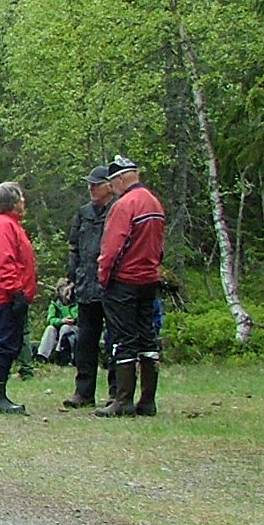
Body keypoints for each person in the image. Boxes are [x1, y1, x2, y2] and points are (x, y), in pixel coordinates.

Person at [96, 156, 166, 416]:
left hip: (124, 281)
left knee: (123, 339)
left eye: (112, 182)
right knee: (147, 338)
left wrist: (103, 277)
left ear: (121, 178)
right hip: (149, 279)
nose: (111, 187)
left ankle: (123, 400)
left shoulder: (124, 206)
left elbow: (113, 247)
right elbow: (158, 246)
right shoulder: (154, 202)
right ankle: (147, 400)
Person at [0, 181, 37, 414]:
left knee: (9, 344)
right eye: (21, 197)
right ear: (12, 202)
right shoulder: (3, 225)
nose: (24, 201)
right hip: (5, 296)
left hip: (8, 294)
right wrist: (16, 291)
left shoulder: (10, 225)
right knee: (4, 345)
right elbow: (5, 262)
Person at [61, 165, 114, 410]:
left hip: (111, 286)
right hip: (85, 285)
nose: (91, 188)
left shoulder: (118, 210)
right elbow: (74, 248)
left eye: (96, 184)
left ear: (109, 186)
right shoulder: (83, 213)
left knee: (115, 340)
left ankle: (116, 393)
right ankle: (83, 393)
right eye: (89, 184)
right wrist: (71, 279)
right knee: (85, 342)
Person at [35, 278, 79, 365]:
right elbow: (50, 319)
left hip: (74, 328)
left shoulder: (76, 301)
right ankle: (42, 355)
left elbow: (78, 315)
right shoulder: (55, 302)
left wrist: (72, 319)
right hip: (60, 326)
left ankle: (59, 353)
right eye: (61, 290)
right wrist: (61, 321)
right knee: (50, 328)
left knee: (65, 328)